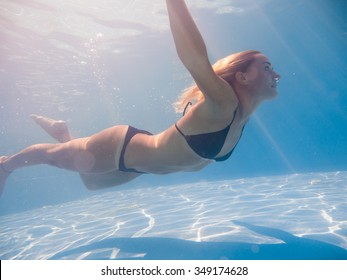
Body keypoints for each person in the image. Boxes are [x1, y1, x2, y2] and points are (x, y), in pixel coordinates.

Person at [0, 0, 280, 196]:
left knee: (90, 182)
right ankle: (6, 164)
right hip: (122, 147)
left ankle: (63, 132)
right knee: (51, 158)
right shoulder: (224, 102)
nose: (276, 75)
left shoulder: (242, 116)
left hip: (140, 166)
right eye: (267, 68)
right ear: (241, 77)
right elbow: (194, 59)